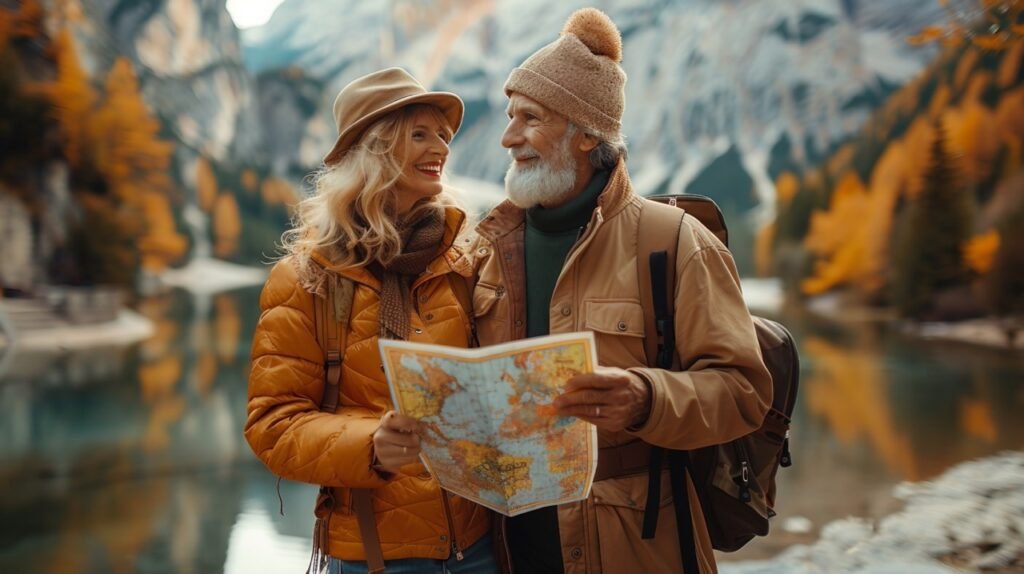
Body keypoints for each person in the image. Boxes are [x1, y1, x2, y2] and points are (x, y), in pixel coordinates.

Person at [469, 8, 773, 574]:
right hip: (502, 547)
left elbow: (743, 393)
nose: (508, 138)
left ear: (586, 134)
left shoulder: (676, 241)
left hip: (634, 545)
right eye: (510, 117)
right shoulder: (487, 245)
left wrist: (646, 398)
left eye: (529, 118)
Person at [244, 67, 497, 574]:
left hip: (481, 548)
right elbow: (272, 424)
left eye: (443, 136)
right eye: (419, 135)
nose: (441, 149)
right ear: (373, 149)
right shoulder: (306, 278)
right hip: (374, 556)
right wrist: (372, 447)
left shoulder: (468, 258)